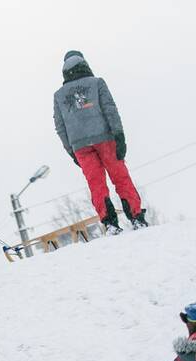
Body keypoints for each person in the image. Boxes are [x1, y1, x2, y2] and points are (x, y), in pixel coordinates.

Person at [53, 50, 147, 234]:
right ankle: (136, 218)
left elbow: (60, 127)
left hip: (80, 146)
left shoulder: (59, 95)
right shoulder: (97, 83)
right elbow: (110, 110)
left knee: (96, 185)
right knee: (121, 178)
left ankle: (110, 224)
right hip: (105, 138)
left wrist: (71, 151)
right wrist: (119, 136)